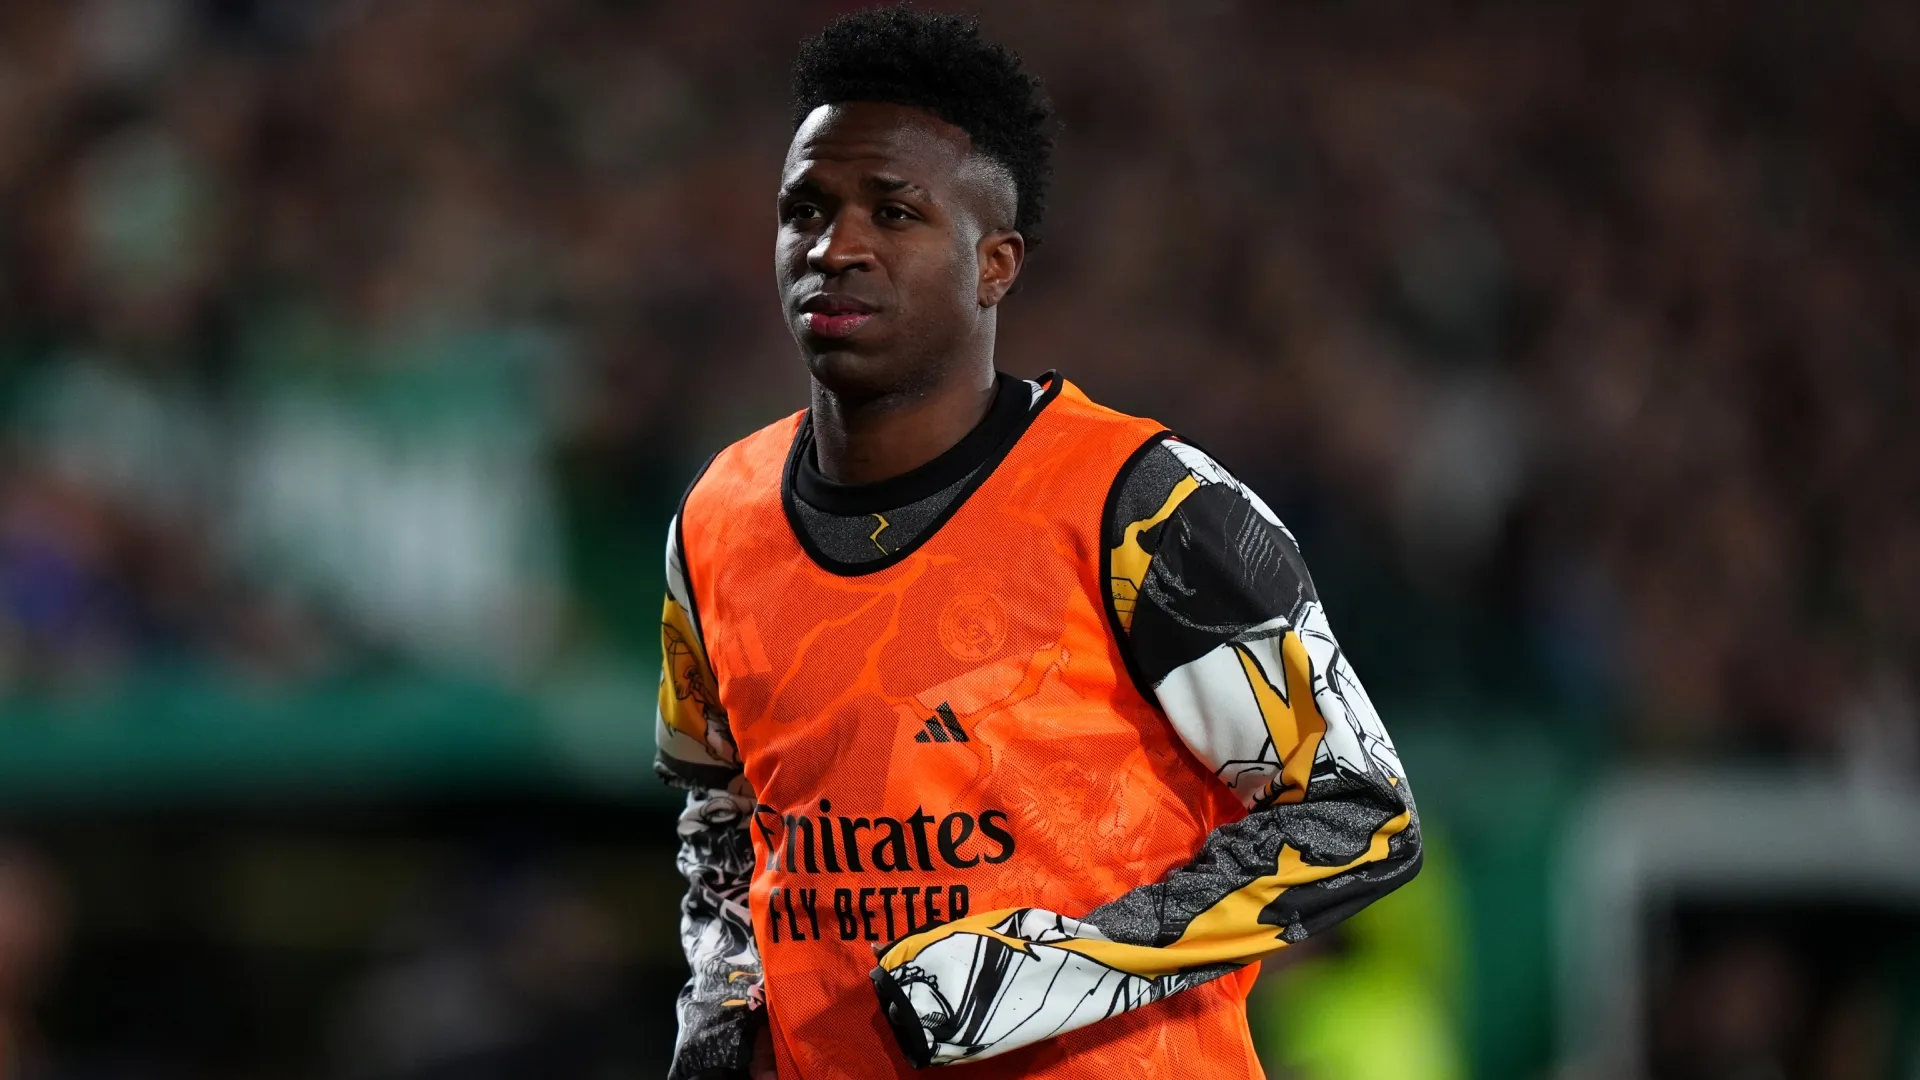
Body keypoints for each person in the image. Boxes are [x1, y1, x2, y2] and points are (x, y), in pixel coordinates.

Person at [653, 9, 1421, 1078]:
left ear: (995, 264)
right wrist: (722, 1020)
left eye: (894, 212)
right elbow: (721, 815)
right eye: (806, 210)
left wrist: (1052, 969)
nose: (835, 247)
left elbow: (1359, 811)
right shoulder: (717, 519)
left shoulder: (1145, 505)